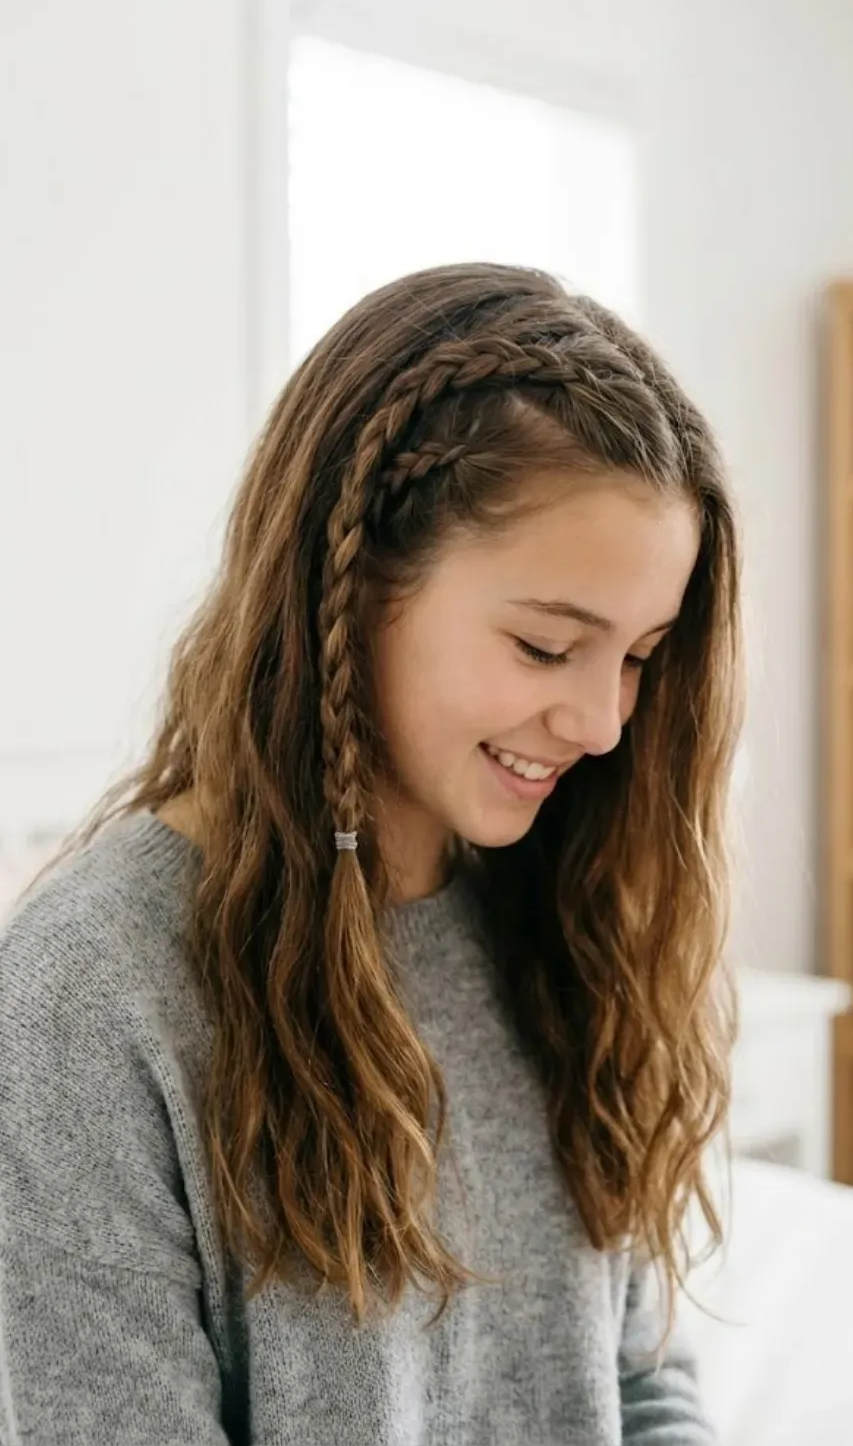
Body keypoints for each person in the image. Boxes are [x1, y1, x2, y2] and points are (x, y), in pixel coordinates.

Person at [0, 261, 743, 1444]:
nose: (604, 724)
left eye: (641, 656)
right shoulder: (91, 990)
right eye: (549, 647)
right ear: (347, 591)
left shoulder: (563, 905)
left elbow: (641, 1378)